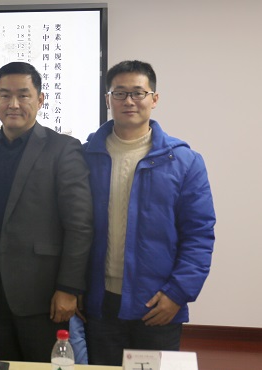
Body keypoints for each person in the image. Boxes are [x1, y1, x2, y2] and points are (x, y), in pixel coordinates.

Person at [82, 60, 216, 365]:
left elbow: (199, 234)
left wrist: (177, 294)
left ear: (154, 99)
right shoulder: (85, 156)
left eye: (138, 93)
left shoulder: (184, 161)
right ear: (108, 100)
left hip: (157, 303)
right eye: (119, 93)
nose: (129, 101)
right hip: (99, 302)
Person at [0, 61, 93, 363]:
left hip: (44, 295)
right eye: (5, 95)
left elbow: (80, 225)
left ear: (40, 99)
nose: (14, 104)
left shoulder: (63, 149)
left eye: (23, 95)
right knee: (3, 364)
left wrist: (68, 288)